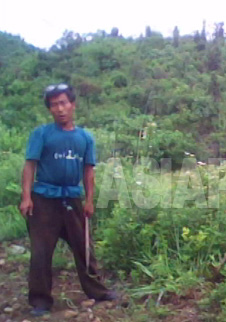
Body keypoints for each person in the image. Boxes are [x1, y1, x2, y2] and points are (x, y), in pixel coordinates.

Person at [19, 83, 116, 317]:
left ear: (72, 105)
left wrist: (90, 200)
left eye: (63, 103)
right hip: (44, 199)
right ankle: (40, 301)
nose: (60, 109)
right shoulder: (41, 134)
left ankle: (97, 291)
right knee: (41, 252)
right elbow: (30, 165)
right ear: (50, 109)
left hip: (72, 199)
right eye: (54, 105)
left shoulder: (85, 137)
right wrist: (26, 197)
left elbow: (89, 171)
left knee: (84, 248)